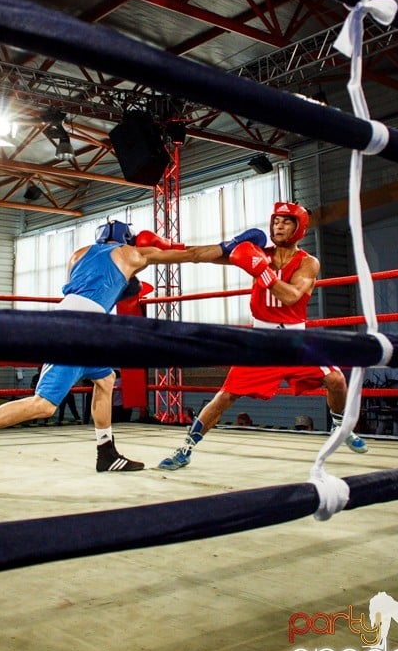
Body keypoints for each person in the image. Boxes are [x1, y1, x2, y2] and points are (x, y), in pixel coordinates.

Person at [0, 217, 265, 480]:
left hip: (82, 323)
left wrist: (126, 284)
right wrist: (228, 247)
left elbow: (92, 287)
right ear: (127, 239)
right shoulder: (132, 253)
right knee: (44, 405)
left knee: (105, 380)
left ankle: (106, 452)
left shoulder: (78, 254)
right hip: (78, 329)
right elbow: (191, 255)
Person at [158, 201, 368, 470]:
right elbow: (204, 255)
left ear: (299, 227)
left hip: (294, 340)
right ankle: (185, 449)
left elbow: (292, 296)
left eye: (286, 221)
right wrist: (167, 249)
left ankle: (341, 427)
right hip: (260, 340)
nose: (278, 225)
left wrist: (261, 270)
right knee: (225, 396)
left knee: (336, 379)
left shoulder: (308, 263)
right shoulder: (257, 253)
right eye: (275, 221)